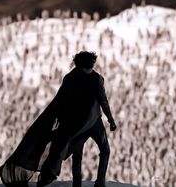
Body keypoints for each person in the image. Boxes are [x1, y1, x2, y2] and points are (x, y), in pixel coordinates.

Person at [38, 51, 117, 187]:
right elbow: (103, 101)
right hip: (94, 122)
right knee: (104, 150)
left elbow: (61, 101)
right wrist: (110, 120)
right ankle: (100, 182)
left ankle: (77, 184)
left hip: (76, 124)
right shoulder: (96, 79)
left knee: (77, 154)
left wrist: (58, 119)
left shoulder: (70, 78)